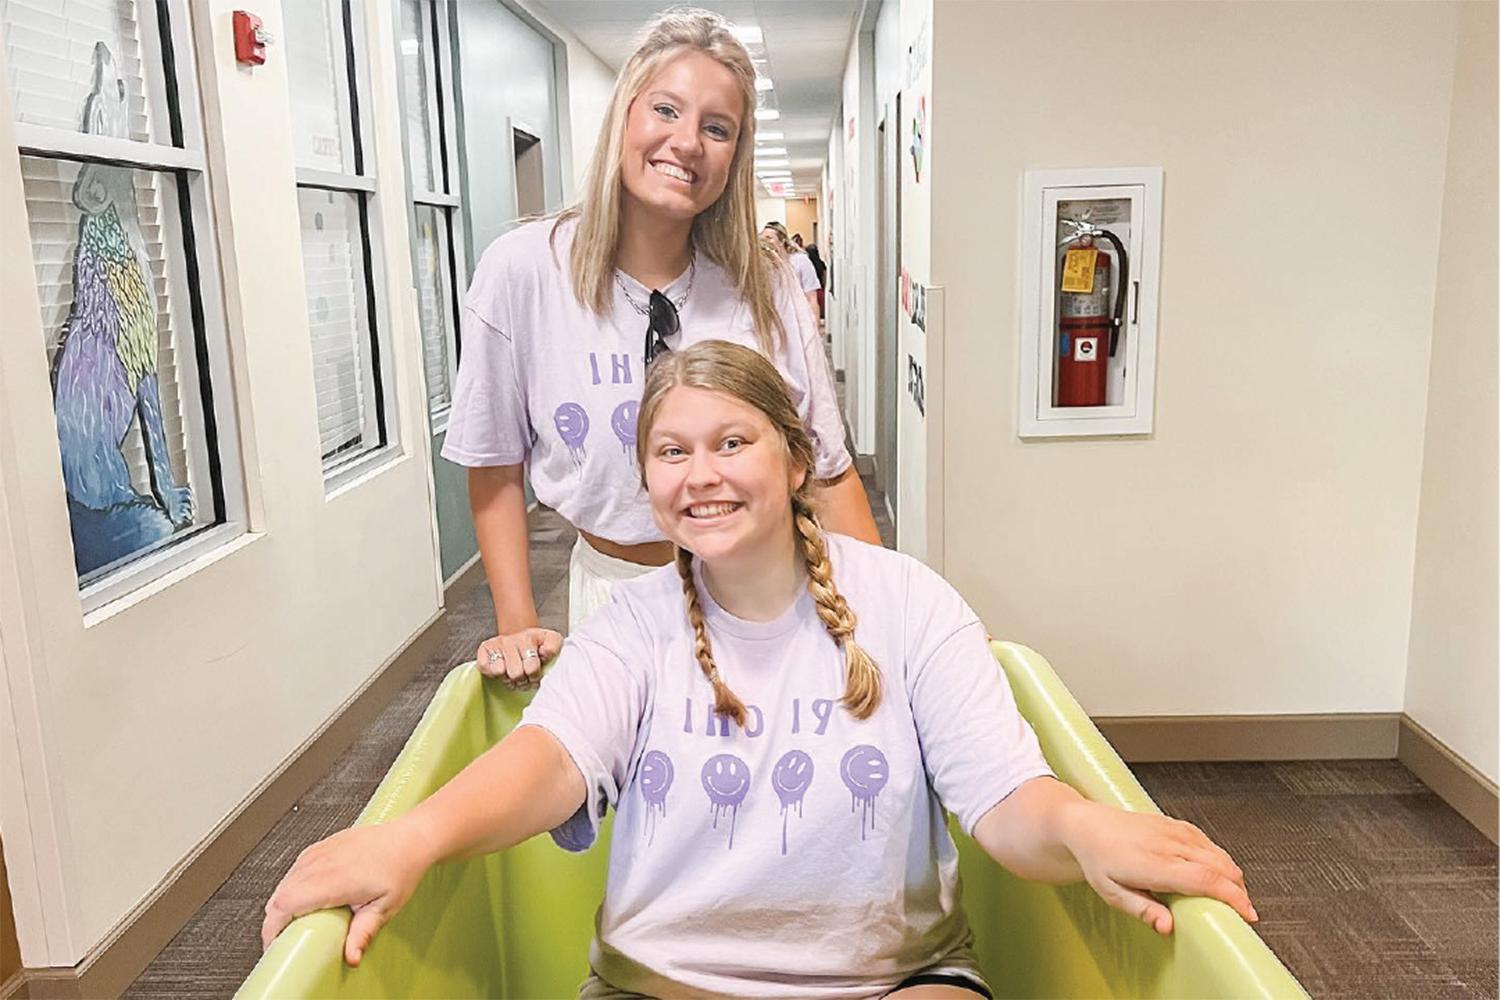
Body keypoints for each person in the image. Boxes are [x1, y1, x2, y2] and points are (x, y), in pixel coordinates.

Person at [262, 341, 1257, 1000]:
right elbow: (546, 760)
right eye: (672, 451)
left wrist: (1086, 829)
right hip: (664, 980)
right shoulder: (631, 627)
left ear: (792, 459)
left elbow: (1005, 798)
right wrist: (412, 837)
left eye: (733, 442)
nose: (702, 474)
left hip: (896, 981)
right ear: (648, 480)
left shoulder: (910, 604)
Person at [440, 8, 880, 689]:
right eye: (666, 110)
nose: (687, 142)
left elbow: (827, 471)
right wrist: (516, 621)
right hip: (611, 594)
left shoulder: (764, 285)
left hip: (766, 592)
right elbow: (496, 464)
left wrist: (888, 617)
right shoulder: (524, 271)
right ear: (625, 116)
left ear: (734, 155)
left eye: (717, 127)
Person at [764, 221, 821, 321]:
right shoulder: (766, 265)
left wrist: (815, 327)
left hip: (799, 318)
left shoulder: (800, 261)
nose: (765, 241)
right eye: (762, 238)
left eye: (769, 238)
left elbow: (812, 298)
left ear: (782, 241)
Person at [803, 240, 828, 318]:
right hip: (819, 290)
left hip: (809, 290)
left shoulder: (807, 264)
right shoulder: (821, 264)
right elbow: (825, 277)